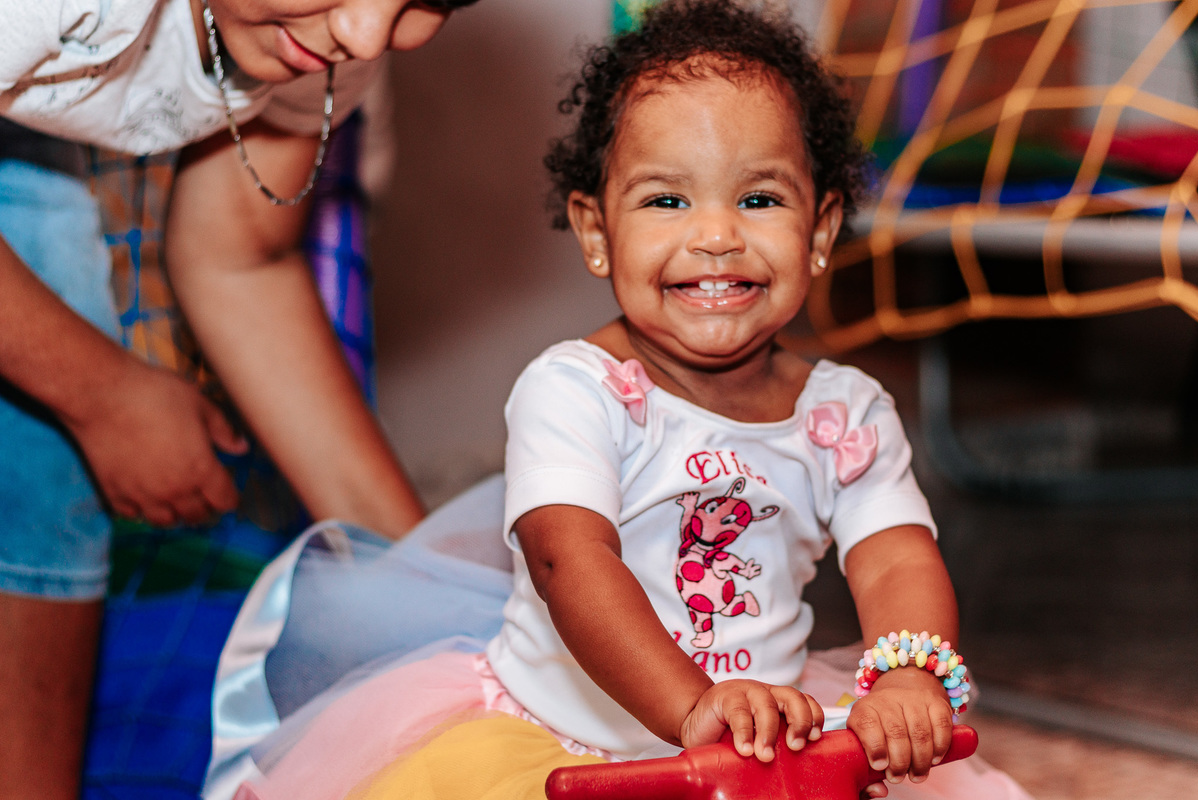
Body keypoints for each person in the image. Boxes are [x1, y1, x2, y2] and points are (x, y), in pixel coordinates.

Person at [214, 2, 1033, 798]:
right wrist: (692, 707)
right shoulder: (575, 390)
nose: (716, 236)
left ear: (819, 232)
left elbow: (895, 557)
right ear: (597, 232)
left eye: (759, 199)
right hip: (561, 744)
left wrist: (908, 672)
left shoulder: (845, 413)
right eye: (666, 200)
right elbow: (570, 561)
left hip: (763, 744)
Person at [0, 1, 481, 798]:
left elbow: (240, 261)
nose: (365, 35)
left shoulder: (333, 39)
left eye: (422, 2)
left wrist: (435, 595)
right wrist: (105, 396)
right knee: (51, 366)